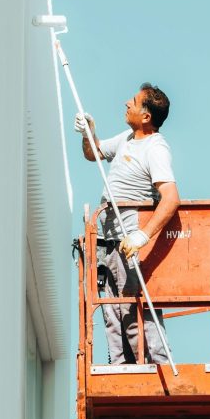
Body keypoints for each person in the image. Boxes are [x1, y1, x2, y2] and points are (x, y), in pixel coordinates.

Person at [75, 83, 180, 364]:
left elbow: (171, 198)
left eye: (133, 102)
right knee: (112, 311)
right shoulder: (127, 139)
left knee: (136, 310)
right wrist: (89, 132)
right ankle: (120, 367)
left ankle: (157, 366)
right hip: (109, 240)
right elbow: (93, 153)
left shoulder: (155, 148)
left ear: (146, 116)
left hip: (129, 237)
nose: (126, 103)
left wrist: (142, 237)